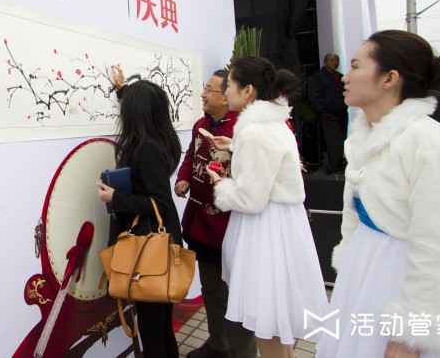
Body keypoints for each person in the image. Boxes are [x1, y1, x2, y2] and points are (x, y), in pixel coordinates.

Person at [316, 30, 440, 358]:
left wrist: (411, 335)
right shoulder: (364, 139)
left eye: (355, 67)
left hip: (405, 284)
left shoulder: (435, 147)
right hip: (365, 272)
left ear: (389, 78)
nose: (345, 77)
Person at [205, 56, 329, 358]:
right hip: (280, 226)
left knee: (267, 324)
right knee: (277, 323)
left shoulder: (254, 132)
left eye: (229, 85)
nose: (226, 91)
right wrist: (234, 146)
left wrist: (220, 185)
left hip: (264, 231)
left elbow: (251, 198)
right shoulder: (272, 125)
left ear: (248, 90)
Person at [97, 70, 184, 358]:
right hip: (159, 248)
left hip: (150, 254)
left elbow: (160, 203)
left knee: (152, 331)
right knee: (161, 327)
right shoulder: (160, 140)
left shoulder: (147, 149)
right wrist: (122, 89)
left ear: (136, 114)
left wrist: (116, 197)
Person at [174, 70, 257, 358]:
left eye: (210, 90)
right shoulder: (200, 124)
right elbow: (190, 155)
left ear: (226, 96)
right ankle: (218, 343)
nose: (203, 94)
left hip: (230, 226)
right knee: (211, 289)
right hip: (200, 224)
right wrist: (183, 178)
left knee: (236, 296)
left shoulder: (243, 129)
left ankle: (242, 353)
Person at [307, 53, 348, 174]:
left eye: (336, 60)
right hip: (328, 114)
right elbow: (314, 96)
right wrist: (323, 110)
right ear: (325, 62)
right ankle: (334, 168)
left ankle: (337, 166)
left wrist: (344, 105)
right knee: (335, 141)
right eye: (331, 60)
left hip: (341, 113)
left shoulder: (340, 77)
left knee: (341, 140)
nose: (334, 62)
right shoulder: (317, 77)